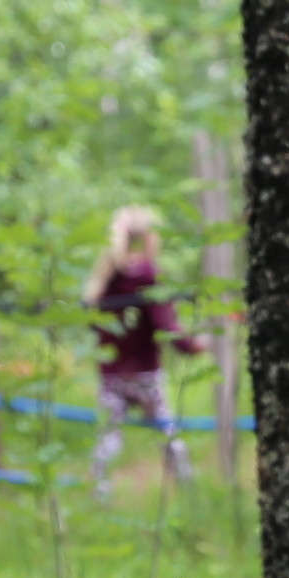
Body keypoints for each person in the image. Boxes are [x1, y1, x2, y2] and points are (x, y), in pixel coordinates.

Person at [81, 205, 205, 486]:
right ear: (150, 237)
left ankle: (99, 491)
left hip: (111, 375)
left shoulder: (105, 276)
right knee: (167, 434)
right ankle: (188, 489)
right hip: (146, 375)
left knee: (108, 437)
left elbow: (92, 321)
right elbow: (166, 325)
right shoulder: (149, 275)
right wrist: (193, 346)